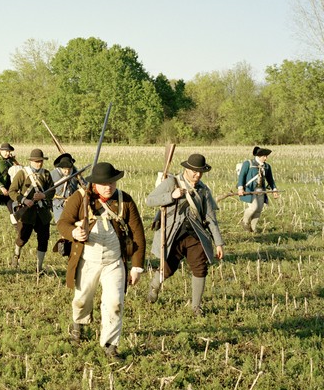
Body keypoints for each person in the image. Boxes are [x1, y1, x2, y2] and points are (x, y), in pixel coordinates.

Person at [57, 161, 146, 359]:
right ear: (94, 183)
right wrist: (74, 232)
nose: (109, 186)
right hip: (87, 260)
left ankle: (110, 345)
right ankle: (78, 325)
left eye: (112, 182)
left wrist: (137, 267)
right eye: (104, 183)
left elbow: (138, 235)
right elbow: (63, 222)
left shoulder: (125, 200)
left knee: (115, 303)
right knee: (81, 300)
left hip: (114, 262)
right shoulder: (80, 198)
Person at [145, 153, 224, 316]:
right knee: (167, 270)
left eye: (200, 172)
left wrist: (218, 243)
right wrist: (171, 196)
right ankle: (154, 287)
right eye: (195, 171)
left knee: (200, 269)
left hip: (196, 237)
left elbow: (210, 218)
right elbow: (150, 200)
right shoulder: (171, 182)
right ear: (186, 169)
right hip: (172, 235)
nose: (198, 175)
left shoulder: (203, 190)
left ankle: (196, 306)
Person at [10, 148, 55, 272]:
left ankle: (39, 267)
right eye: (36, 161)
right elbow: (12, 191)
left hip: (42, 213)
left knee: (43, 239)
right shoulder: (23, 173)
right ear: (31, 161)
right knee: (22, 238)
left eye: (40, 161)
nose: (38, 163)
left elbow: (52, 190)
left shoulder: (46, 174)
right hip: (27, 213)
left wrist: (44, 196)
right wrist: (24, 200)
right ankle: (16, 254)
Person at [237, 146, 280, 233]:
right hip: (250, 190)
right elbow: (242, 176)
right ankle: (245, 222)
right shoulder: (248, 163)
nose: (266, 158)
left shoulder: (267, 166)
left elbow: (270, 179)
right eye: (264, 156)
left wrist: (274, 189)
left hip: (261, 190)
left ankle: (253, 228)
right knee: (253, 207)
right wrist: (240, 188)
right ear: (259, 156)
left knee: (259, 209)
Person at [51, 153, 83, 223]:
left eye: (69, 169)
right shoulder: (53, 174)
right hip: (58, 204)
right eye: (65, 169)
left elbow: (84, 185)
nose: (67, 171)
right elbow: (48, 188)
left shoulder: (76, 173)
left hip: (73, 203)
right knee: (61, 224)